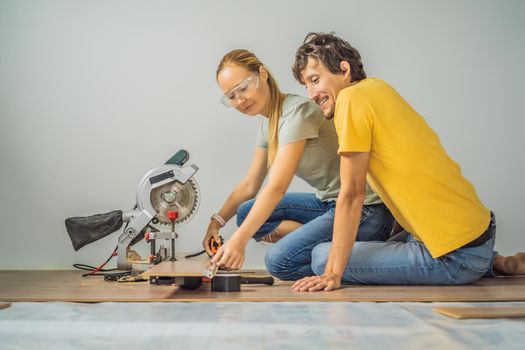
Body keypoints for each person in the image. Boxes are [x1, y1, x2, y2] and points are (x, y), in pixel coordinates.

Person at [290, 32, 524, 292]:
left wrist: (333, 273)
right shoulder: (378, 88)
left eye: (315, 80)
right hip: (477, 232)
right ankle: (493, 262)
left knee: (321, 256)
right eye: (306, 85)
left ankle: (482, 264)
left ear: (343, 70)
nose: (311, 94)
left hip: (455, 258)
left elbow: (352, 194)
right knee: (367, 244)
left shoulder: (350, 100)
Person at [205, 49, 395, 278]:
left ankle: (363, 251)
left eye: (243, 88)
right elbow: (249, 185)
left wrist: (238, 241)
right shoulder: (268, 125)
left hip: (367, 211)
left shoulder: (297, 113)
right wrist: (216, 223)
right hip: (328, 202)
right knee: (245, 213)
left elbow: (277, 187)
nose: (239, 100)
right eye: (231, 96)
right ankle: (323, 243)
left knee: (279, 262)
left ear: (262, 74)